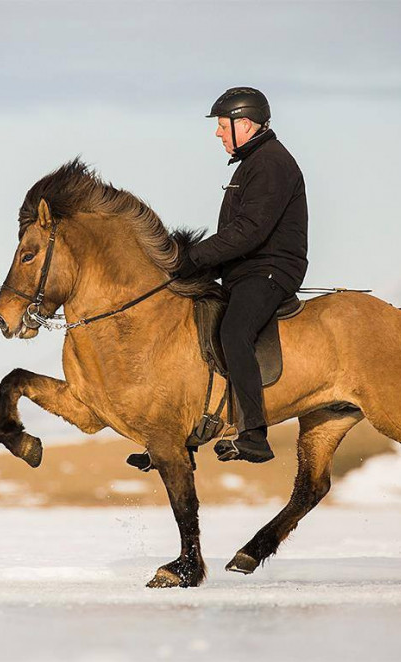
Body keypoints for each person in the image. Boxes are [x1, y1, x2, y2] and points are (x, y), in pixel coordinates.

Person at [174, 86, 309, 463]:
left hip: (269, 271)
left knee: (234, 331)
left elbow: (250, 231)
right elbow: (238, 237)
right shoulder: (253, 163)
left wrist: (196, 258)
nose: (218, 134)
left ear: (244, 124)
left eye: (222, 126)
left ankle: (254, 434)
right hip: (246, 269)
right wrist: (190, 267)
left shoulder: (270, 163)